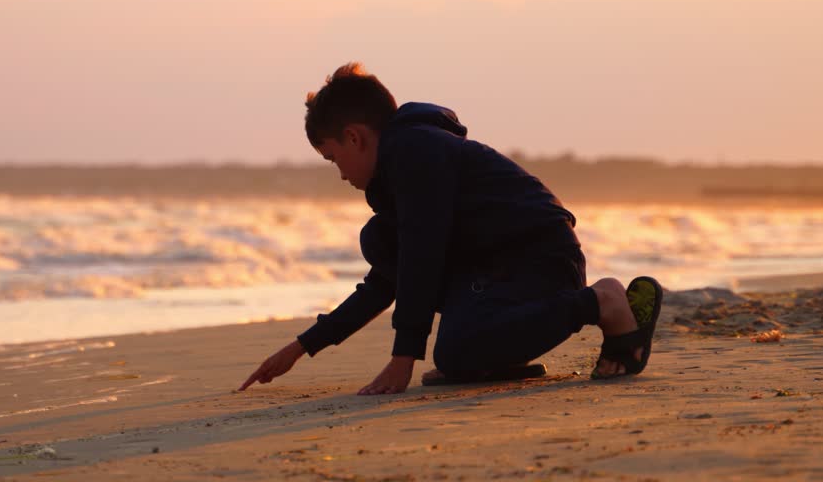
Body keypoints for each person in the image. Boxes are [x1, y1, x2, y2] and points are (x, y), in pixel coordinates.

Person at [239, 62, 662, 395]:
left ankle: (602, 302)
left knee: (456, 351)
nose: (340, 173)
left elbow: (424, 252)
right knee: (381, 240)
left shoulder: (414, 151)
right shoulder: (398, 174)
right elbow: (387, 281)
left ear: (354, 138)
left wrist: (404, 357)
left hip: (541, 260)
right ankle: (498, 357)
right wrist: (303, 346)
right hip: (498, 270)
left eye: (332, 158)